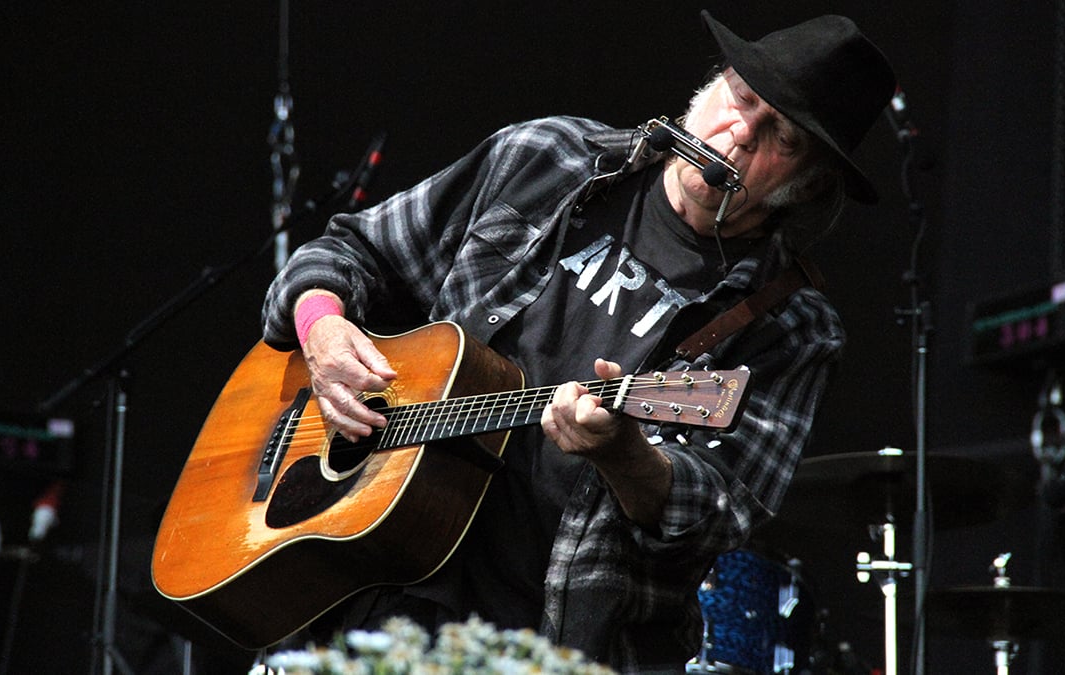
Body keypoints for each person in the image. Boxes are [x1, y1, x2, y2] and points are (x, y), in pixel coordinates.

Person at [261, 10, 896, 673]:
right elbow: (351, 249)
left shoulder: (792, 327)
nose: (738, 134)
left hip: (552, 642)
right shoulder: (548, 158)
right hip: (364, 590)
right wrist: (322, 330)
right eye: (741, 99)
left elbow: (715, 511)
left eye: (782, 137)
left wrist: (626, 455)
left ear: (810, 183)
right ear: (712, 84)